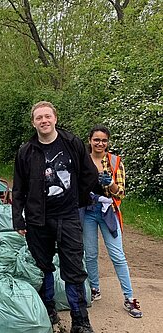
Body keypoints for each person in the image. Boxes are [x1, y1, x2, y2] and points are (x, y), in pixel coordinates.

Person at [12, 101, 98, 333]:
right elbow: (18, 189)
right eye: (39, 118)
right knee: (43, 266)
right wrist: (18, 219)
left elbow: (90, 174)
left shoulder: (72, 143)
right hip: (38, 219)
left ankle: (80, 321)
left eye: (47, 116)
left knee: (73, 268)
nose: (44, 121)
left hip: (68, 216)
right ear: (34, 123)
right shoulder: (26, 151)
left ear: (55, 118)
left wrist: (78, 199)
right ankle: (48, 310)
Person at [80, 125, 142, 318]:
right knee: (89, 253)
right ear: (90, 140)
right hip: (88, 210)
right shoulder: (82, 161)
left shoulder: (115, 162)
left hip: (108, 211)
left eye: (104, 140)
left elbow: (121, 192)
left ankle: (129, 298)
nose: (100, 143)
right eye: (96, 139)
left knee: (117, 255)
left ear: (108, 142)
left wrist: (110, 184)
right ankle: (95, 289)